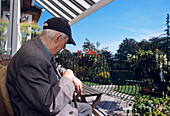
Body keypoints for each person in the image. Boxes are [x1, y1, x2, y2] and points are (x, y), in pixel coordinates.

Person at [6, 17, 92, 116]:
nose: (64, 48)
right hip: (37, 111)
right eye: (65, 43)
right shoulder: (33, 58)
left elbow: (53, 68)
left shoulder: (40, 48)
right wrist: (67, 79)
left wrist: (69, 74)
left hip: (44, 104)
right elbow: (50, 105)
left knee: (87, 108)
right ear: (58, 38)